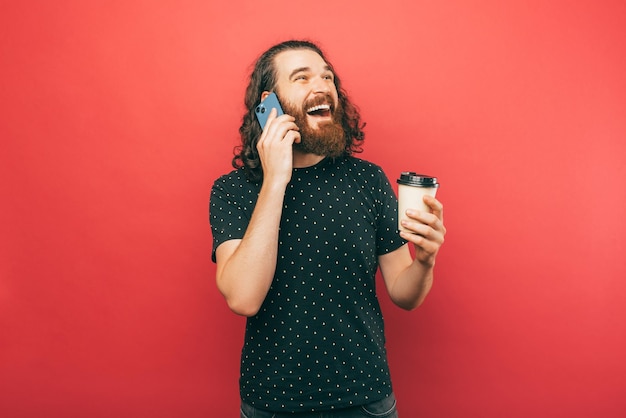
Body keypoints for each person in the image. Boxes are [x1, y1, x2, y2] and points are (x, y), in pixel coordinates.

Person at [210, 40, 446, 418]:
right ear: (269, 104)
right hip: (272, 402)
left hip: (365, 400)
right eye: (301, 78)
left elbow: (405, 292)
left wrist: (426, 260)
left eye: (327, 77)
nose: (321, 86)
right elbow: (243, 298)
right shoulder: (233, 190)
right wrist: (275, 180)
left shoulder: (368, 181)